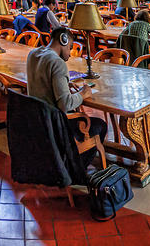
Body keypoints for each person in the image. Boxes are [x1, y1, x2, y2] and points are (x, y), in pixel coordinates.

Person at [26, 27, 107, 166]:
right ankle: (74, 166)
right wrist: (83, 93)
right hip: (55, 124)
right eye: (70, 47)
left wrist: (64, 83)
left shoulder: (33, 53)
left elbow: (42, 80)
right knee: (100, 125)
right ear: (63, 40)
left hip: (37, 120)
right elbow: (65, 104)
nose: (69, 54)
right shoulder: (58, 63)